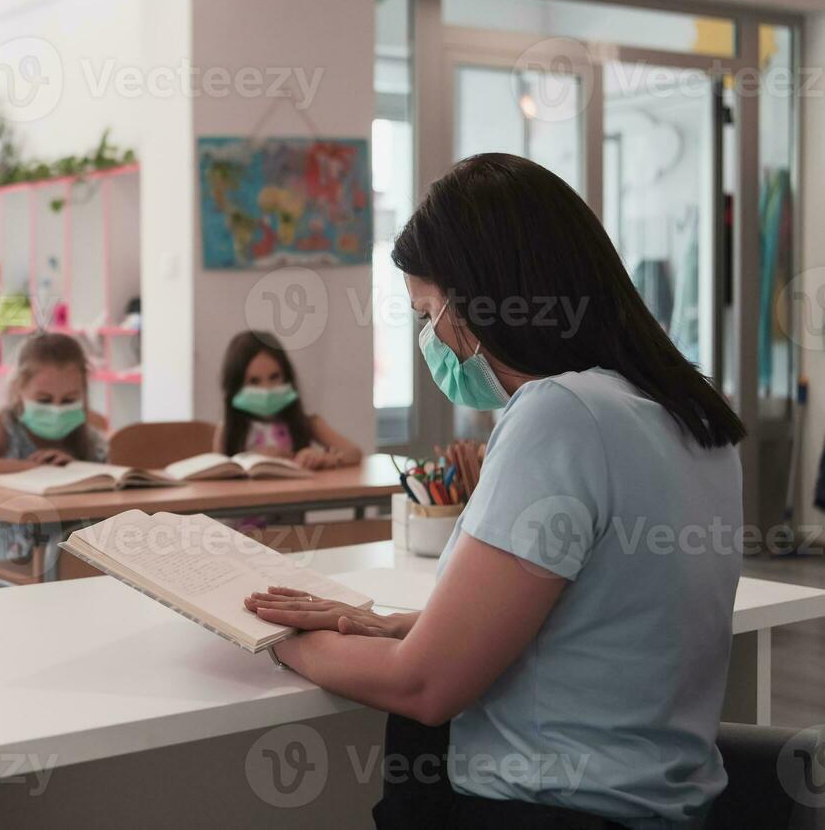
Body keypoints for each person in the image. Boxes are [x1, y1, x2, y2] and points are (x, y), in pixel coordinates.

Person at [246, 153, 745, 829]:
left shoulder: (560, 413)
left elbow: (421, 687)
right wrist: (409, 625)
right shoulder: (686, 411)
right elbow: (602, 622)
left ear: (479, 299)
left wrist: (262, 634)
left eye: (428, 312)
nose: (431, 339)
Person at [0, 332, 106, 586]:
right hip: (6, 557)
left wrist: (73, 467)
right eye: (44, 400)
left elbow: (112, 478)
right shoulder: (3, 424)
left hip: (71, 557)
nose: (57, 408)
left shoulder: (88, 429)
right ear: (19, 390)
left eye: (69, 400)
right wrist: (31, 467)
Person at [212, 330, 362, 468]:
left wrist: (326, 459)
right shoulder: (227, 430)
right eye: (254, 381)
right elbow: (218, 472)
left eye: (274, 377)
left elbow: (354, 452)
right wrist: (251, 459)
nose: (267, 388)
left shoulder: (310, 423)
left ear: (287, 377)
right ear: (235, 386)